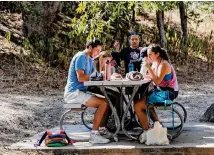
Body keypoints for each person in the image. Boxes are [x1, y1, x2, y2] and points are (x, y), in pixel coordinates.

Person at [64, 39, 110, 144]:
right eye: (97, 50)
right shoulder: (81, 57)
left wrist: (103, 73)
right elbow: (81, 78)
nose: (98, 53)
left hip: (81, 92)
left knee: (107, 101)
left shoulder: (90, 60)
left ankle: (101, 130)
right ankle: (94, 135)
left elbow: (95, 77)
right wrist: (98, 75)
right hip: (73, 93)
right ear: (90, 47)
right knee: (103, 103)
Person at [134, 45, 179, 143]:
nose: (148, 57)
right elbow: (151, 76)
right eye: (148, 55)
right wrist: (139, 75)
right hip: (160, 91)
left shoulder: (164, 64)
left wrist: (148, 67)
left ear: (157, 54)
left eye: (150, 54)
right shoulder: (155, 63)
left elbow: (157, 81)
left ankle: (147, 130)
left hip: (169, 93)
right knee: (142, 101)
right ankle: (157, 126)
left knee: (138, 105)